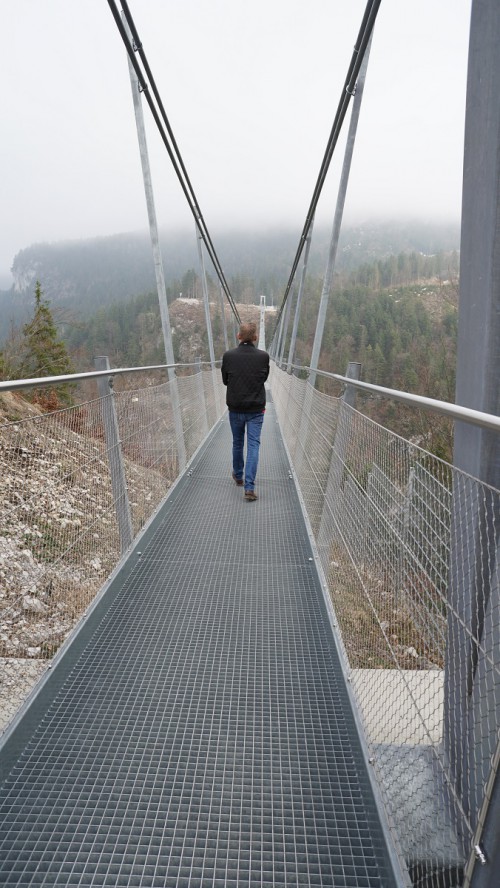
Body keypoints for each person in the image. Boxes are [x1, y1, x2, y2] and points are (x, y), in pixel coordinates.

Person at [221, 322, 270, 501]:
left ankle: (238, 476)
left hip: (235, 407)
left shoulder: (228, 356)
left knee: (237, 442)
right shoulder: (263, 357)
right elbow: (263, 378)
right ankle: (249, 488)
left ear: (238, 336)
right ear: (255, 338)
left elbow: (225, 381)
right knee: (253, 445)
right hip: (256, 408)